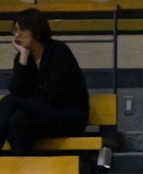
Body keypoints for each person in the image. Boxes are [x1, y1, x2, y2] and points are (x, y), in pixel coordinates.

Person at [1, 10, 86, 164]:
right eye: (15, 30)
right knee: (16, 120)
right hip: (41, 117)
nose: (16, 35)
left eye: (21, 30)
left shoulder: (59, 52)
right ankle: (26, 173)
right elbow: (17, 90)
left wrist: (24, 102)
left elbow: (48, 97)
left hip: (67, 117)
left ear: (36, 30)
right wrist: (23, 56)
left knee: (10, 101)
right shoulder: (23, 58)